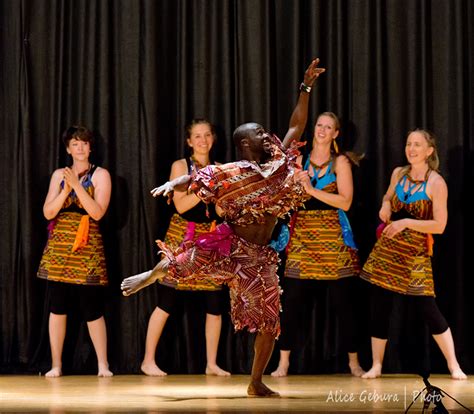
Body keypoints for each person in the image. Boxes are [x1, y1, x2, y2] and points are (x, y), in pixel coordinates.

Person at [121, 58, 326, 397]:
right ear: (246, 144)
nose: (266, 135)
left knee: (270, 321)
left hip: (260, 258)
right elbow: (198, 176)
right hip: (230, 245)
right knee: (183, 261)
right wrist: (174, 185)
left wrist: (305, 88)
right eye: (259, 133)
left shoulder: (278, 163)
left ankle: (256, 381)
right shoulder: (233, 170)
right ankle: (152, 274)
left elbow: (296, 127)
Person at [360, 129, 467, 380]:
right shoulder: (399, 173)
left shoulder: (436, 183)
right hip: (388, 247)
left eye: (417, 144)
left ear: (429, 151)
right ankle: (376, 365)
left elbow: (440, 225)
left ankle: (453, 364)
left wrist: (406, 222)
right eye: (409, 143)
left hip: (416, 251)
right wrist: (385, 205)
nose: (411, 148)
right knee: (380, 306)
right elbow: (388, 197)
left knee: (427, 307)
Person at [271, 112, 365, 378]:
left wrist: (311, 190)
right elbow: (287, 202)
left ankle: (354, 363)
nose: (322, 130)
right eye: (319, 125)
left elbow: (345, 202)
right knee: (292, 304)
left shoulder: (340, 162)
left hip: (334, 238)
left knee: (344, 305)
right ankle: (283, 363)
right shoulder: (298, 161)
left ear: (335, 133)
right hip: (302, 237)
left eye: (329, 127)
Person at [141, 119, 230, 377]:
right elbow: (180, 205)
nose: (203, 140)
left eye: (207, 135)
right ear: (189, 141)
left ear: (213, 138)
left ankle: (211, 363)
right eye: (197, 136)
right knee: (167, 300)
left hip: (211, 237)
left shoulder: (220, 168)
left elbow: (221, 210)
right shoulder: (180, 166)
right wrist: (205, 190)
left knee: (214, 303)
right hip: (183, 235)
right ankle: (148, 360)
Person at [37, 125, 113, 377]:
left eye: (84, 143)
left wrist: (77, 187)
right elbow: (48, 212)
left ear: (91, 147)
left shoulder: (101, 174)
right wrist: (66, 188)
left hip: (87, 244)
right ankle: (56, 364)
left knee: (92, 307)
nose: (79, 147)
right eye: (74, 143)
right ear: (68, 149)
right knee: (57, 307)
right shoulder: (59, 174)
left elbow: (97, 212)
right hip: (60, 245)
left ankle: (103, 364)